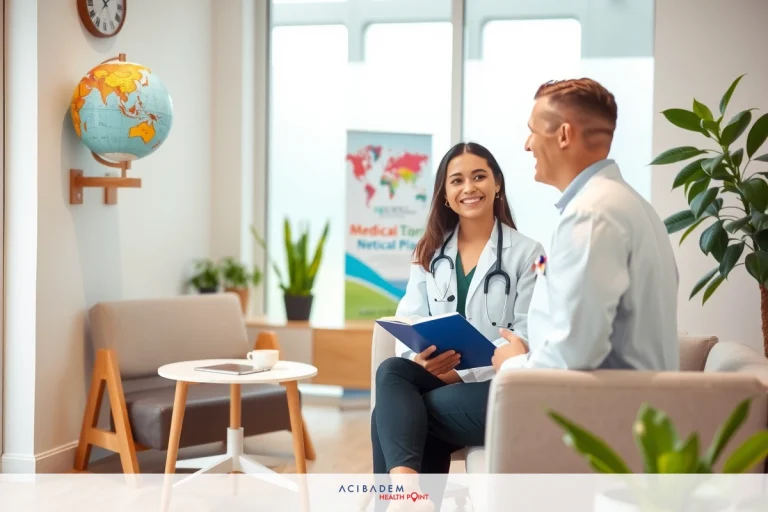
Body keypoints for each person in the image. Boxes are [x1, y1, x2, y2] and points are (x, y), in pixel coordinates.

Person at [370, 141, 544, 509]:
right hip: (437, 374)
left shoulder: (529, 252)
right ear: (445, 195)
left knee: (396, 413)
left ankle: (401, 501)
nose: (469, 188)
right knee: (393, 371)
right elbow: (411, 315)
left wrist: (462, 373)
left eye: (479, 176)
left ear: (497, 184)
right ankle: (410, 499)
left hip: (498, 388)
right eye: (457, 180)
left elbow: (528, 333)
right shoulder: (431, 251)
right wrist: (421, 359)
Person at [492, 78, 679, 373]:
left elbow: (573, 354)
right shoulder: (628, 204)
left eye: (532, 131)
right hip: (629, 404)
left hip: (600, 412)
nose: (527, 145)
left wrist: (511, 363)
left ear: (564, 135)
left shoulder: (592, 214)